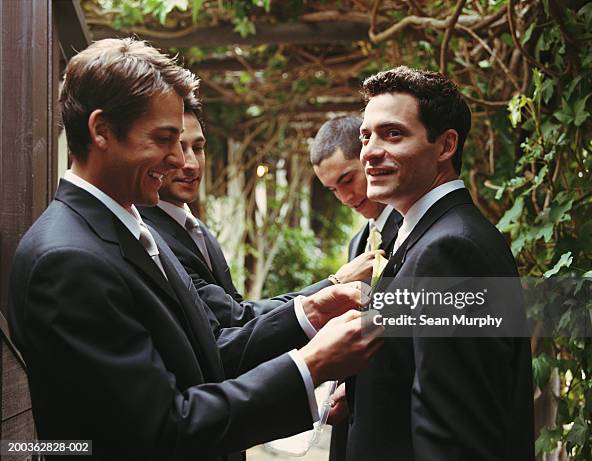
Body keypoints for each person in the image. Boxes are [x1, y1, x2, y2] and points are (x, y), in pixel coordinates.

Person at [7, 38, 383, 461]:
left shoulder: (128, 227)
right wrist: (310, 365)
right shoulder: (67, 261)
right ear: (102, 131)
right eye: (165, 139)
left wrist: (311, 312)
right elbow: (161, 430)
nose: (179, 161)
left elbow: (210, 349)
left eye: (189, 144)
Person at [345, 67, 534, 460]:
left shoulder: (451, 252)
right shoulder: (426, 236)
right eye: (366, 136)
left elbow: (454, 433)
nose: (369, 152)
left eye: (392, 134)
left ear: (446, 145)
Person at [139, 102, 378, 328]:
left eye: (198, 148)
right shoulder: (150, 237)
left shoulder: (406, 233)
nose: (345, 198)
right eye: (333, 189)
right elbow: (234, 318)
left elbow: (407, 321)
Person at [309, 115, 402, 461]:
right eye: (332, 189)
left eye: (347, 180)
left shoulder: (413, 232)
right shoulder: (357, 243)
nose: (345, 197)